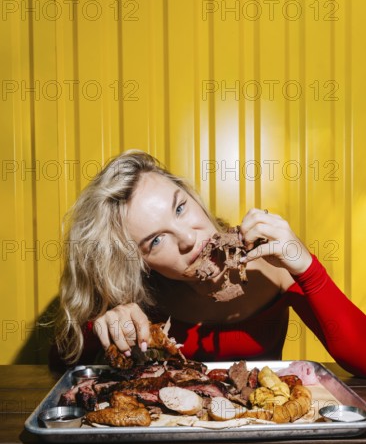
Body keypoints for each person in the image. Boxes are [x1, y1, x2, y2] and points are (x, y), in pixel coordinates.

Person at [54, 150, 366, 376]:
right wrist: (104, 323)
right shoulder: (141, 296)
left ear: (192, 196)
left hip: (265, 437)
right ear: (139, 264)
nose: (188, 238)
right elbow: (68, 358)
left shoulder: (272, 263)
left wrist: (307, 268)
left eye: (179, 208)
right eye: (156, 241)